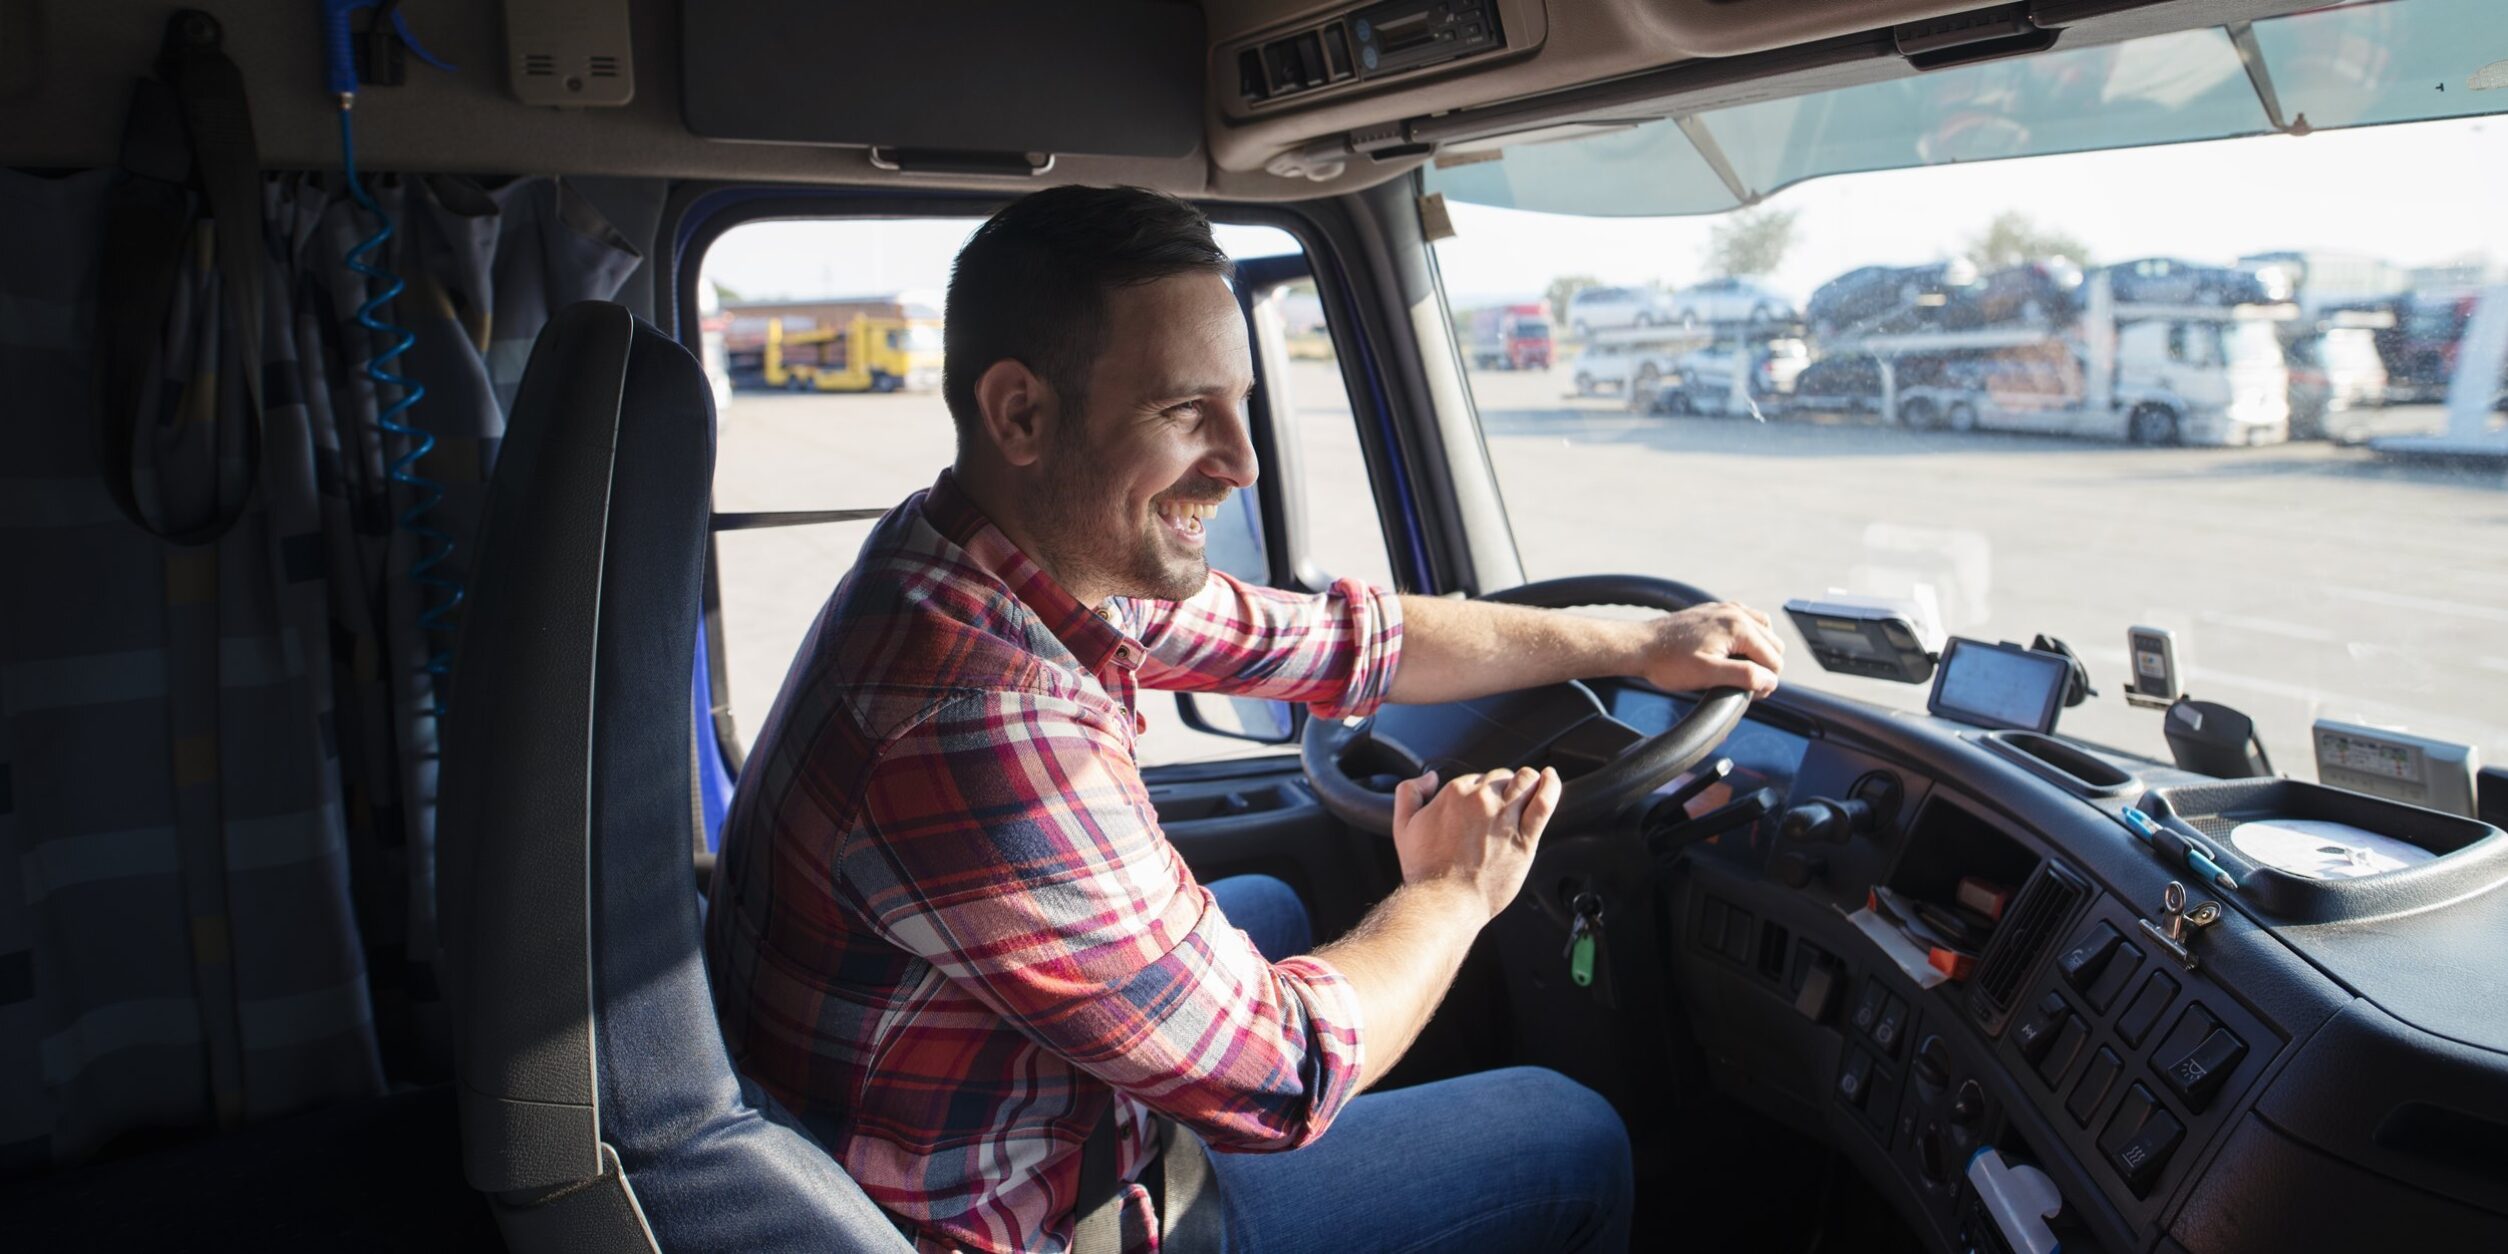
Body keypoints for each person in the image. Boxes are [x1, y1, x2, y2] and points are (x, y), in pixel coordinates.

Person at [703, 185, 1787, 1254]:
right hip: (1030, 1221)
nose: (1242, 460)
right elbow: (1289, 1077)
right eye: (1186, 411)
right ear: (1021, 413)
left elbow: (1345, 643)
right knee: (1567, 1131)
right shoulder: (978, 722)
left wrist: (1635, 641)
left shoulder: (985, 556)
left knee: (1271, 898)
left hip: (967, 1120)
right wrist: (1455, 892)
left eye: (1240, 403)